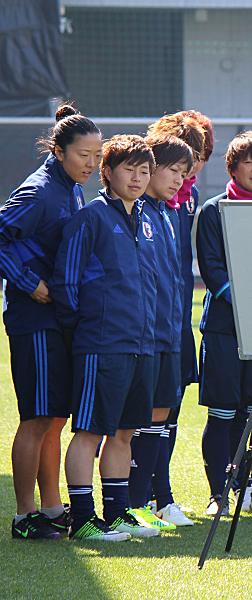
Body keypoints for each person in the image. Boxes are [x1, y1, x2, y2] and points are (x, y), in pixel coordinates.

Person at [51, 134, 160, 541]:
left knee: (125, 432)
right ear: (108, 172)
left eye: (145, 170)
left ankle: (116, 513)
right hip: (102, 343)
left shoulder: (147, 217)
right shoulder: (91, 217)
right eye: (129, 169)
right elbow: (67, 283)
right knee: (91, 432)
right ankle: (81, 519)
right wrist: (83, 330)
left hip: (141, 344)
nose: (137, 177)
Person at [0, 104, 101, 540]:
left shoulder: (72, 188)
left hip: (58, 316)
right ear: (58, 151)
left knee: (55, 417)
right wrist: (28, 282)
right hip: (33, 318)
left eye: (98, 154)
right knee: (38, 418)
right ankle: (25, 516)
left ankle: (53, 507)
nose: (93, 163)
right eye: (84, 154)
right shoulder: (40, 191)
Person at [196, 131, 252, 517]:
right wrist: (250, 300)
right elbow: (212, 270)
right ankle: (219, 494)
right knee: (223, 413)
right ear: (232, 167)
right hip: (224, 328)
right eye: (248, 161)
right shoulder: (214, 211)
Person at [128, 133, 196, 529]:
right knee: (134, 420)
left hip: (170, 334)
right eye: (172, 170)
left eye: (183, 173)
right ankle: (130, 505)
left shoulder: (168, 213)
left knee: (161, 416)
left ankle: (147, 503)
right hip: (143, 336)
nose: (178, 179)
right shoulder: (135, 212)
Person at [146, 111, 210, 518]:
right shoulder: (146, 199)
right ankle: (145, 495)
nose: (193, 166)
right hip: (144, 323)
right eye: (185, 158)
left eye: (199, 156)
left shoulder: (190, 197)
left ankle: (161, 492)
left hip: (177, 316)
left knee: (171, 404)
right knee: (142, 412)